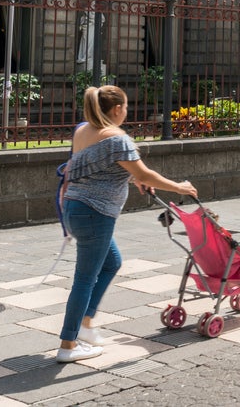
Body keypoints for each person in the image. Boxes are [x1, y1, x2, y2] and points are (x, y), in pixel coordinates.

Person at [57, 85, 197, 363]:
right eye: (126, 108)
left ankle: (85, 325)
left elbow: (95, 164)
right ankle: (68, 345)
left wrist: (135, 179)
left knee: (111, 263)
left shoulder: (82, 130)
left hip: (74, 208)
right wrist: (179, 188)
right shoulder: (117, 139)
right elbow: (145, 172)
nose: (127, 113)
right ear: (117, 109)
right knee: (84, 279)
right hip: (96, 213)